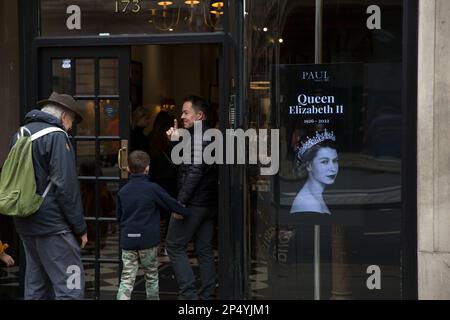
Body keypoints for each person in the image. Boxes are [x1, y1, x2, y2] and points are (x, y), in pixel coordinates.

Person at [11, 92, 88, 299]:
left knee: (36, 286)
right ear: (64, 117)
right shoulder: (57, 135)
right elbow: (66, 187)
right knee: (70, 288)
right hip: (53, 226)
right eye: (71, 121)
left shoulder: (21, 133)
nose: (70, 127)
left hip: (25, 220)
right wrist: (80, 228)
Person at [116, 150, 190, 300]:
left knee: (126, 280)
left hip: (128, 241)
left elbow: (119, 217)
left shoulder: (122, 192)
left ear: (128, 169)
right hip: (148, 241)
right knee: (151, 276)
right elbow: (171, 204)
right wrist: (187, 212)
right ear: (148, 167)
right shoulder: (152, 189)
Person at [165, 95, 218, 300]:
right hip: (207, 203)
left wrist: (180, 204)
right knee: (204, 248)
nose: (182, 116)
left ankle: (189, 296)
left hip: (194, 203)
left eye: (186, 112)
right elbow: (176, 163)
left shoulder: (199, 138)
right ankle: (206, 295)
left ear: (200, 115)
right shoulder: (204, 136)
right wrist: (174, 141)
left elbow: (194, 171)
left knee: (174, 246)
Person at [290, 130, 338, 215]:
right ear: (309, 166)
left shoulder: (315, 195)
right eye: (324, 162)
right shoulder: (309, 204)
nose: (333, 168)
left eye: (335, 161)